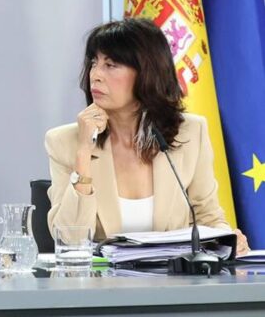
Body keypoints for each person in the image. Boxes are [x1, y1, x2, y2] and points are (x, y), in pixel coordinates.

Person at [45, 17, 248, 255]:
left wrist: (227, 239)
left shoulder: (191, 133)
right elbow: (70, 240)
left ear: (146, 73)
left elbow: (207, 218)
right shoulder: (64, 142)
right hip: (100, 287)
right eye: (93, 63)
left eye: (110, 65)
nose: (95, 75)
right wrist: (83, 153)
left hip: (173, 285)